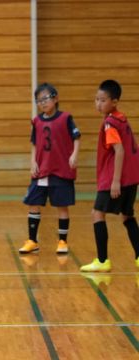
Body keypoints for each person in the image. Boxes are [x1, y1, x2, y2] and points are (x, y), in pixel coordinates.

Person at [81, 79, 139, 272]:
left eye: (103, 100)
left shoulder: (110, 124)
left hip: (116, 179)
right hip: (131, 179)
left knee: (97, 214)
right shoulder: (122, 119)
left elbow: (120, 150)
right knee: (127, 216)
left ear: (114, 101)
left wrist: (115, 181)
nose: (98, 103)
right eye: (96, 99)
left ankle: (103, 260)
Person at [19, 83, 81, 255]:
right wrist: (33, 161)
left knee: (62, 206)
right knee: (33, 203)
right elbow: (34, 144)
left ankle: (62, 242)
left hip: (61, 169)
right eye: (38, 101)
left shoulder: (66, 118)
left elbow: (77, 137)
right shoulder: (37, 121)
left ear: (55, 98)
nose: (42, 103)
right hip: (42, 170)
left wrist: (74, 154)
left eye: (45, 99)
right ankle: (32, 241)